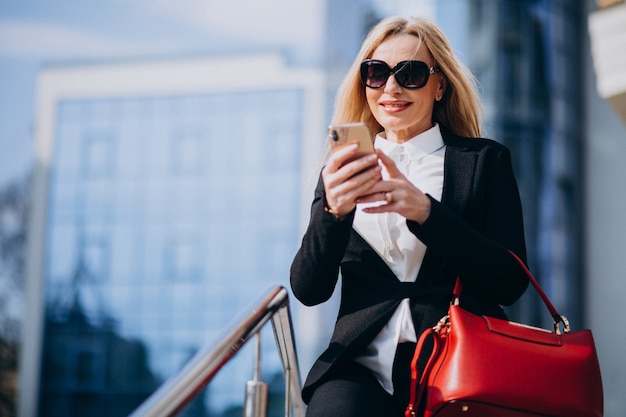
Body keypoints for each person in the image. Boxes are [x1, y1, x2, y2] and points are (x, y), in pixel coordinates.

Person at [290, 16, 529, 417]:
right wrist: (334, 212)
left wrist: (426, 213)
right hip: (358, 366)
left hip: (458, 361)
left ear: (440, 85)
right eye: (377, 73)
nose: (391, 88)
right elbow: (309, 289)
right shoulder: (341, 168)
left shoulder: (484, 161)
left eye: (412, 73)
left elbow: (510, 282)